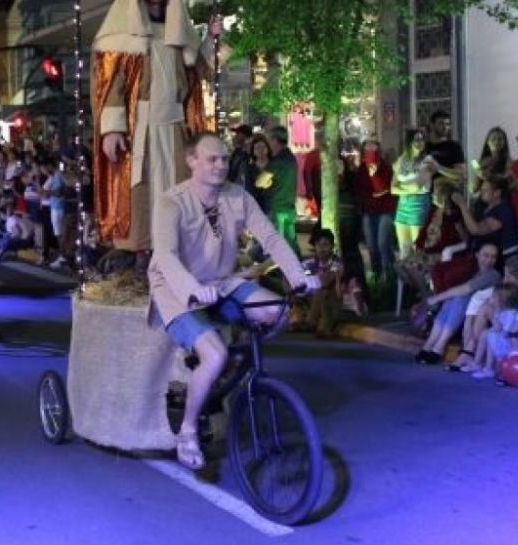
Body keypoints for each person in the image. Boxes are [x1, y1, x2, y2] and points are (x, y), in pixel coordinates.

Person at [148, 134, 319, 471]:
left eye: (224, 159)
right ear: (191, 160)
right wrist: (192, 289)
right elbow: (165, 255)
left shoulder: (237, 196)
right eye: (211, 159)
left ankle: (232, 366)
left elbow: (270, 237)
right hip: (176, 288)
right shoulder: (172, 202)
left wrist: (297, 277)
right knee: (214, 354)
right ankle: (188, 430)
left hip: (222, 281)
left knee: (278, 312)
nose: (220, 165)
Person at [90, 0, 211, 260]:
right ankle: (142, 260)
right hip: (140, 130)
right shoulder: (124, 35)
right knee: (141, 193)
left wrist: (212, 38)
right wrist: (112, 130)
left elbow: (202, 72)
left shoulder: (178, 32)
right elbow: (111, 84)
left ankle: (176, 258)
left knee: (179, 192)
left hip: (174, 129)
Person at [416, 242, 502, 364]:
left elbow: (465, 289)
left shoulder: (492, 275)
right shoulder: (474, 270)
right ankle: (429, 344)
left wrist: (436, 298)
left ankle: (439, 346)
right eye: (486, 255)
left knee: (460, 298)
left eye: (493, 257)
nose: (489, 260)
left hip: (482, 311)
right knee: (453, 299)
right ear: (477, 255)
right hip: (465, 308)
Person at [462, 283, 518, 379]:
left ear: (503, 300)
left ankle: (489, 368)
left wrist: (494, 316)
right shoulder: (502, 311)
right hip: (501, 339)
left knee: (491, 334)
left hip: (508, 345)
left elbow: (504, 331)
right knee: (485, 333)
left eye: (494, 297)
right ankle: (476, 363)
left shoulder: (511, 314)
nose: (491, 298)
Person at [355, 139, 396, 277]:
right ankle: (377, 275)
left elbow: (383, 189)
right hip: (369, 211)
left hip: (385, 210)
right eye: (367, 146)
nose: (370, 148)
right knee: (371, 246)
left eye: (374, 146)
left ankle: (388, 275)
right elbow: (359, 190)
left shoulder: (385, 167)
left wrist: (374, 175)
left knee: (382, 244)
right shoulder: (361, 169)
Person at [392, 128, 431, 259]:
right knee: (404, 251)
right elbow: (392, 188)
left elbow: (417, 186)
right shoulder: (401, 160)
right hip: (402, 205)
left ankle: (421, 279)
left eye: (422, 139)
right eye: (417, 139)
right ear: (409, 142)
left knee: (418, 249)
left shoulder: (427, 160)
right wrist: (409, 187)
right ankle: (405, 278)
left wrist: (402, 186)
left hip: (419, 204)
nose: (420, 142)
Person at [266, 125, 299, 254]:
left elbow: (260, 182)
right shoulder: (291, 158)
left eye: (269, 139)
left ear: (275, 140)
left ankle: (293, 269)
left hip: (277, 206)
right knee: (290, 241)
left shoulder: (276, 161)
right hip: (289, 205)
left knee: (282, 244)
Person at [421, 109, 466, 187]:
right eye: (441, 123)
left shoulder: (454, 146)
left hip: (446, 192)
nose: (445, 127)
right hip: (425, 193)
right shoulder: (423, 147)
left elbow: (461, 174)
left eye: (447, 124)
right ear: (432, 125)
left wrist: (438, 168)